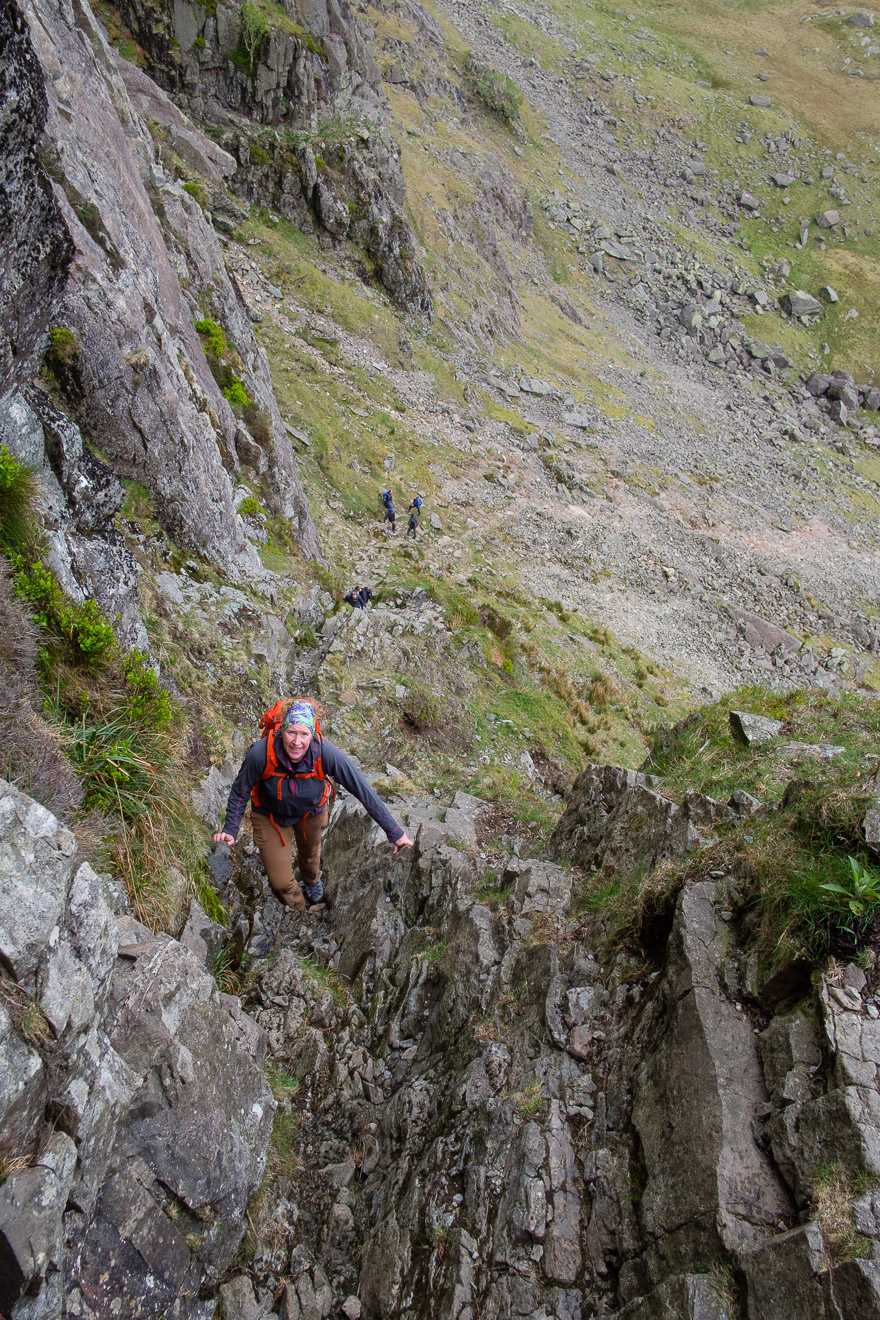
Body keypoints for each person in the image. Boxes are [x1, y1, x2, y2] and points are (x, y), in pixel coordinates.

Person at [213, 698, 413, 912]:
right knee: (280, 883)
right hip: (270, 816)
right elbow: (240, 790)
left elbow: (362, 789)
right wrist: (230, 829)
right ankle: (299, 910)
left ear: (313, 735)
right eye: (291, 732)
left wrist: (394, 832)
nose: (296, 742)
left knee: (310, 856)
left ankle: (311, 879)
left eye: (304, 734)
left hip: (311, 812)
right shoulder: (260, 754)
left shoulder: (325, 753)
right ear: (281, 731)